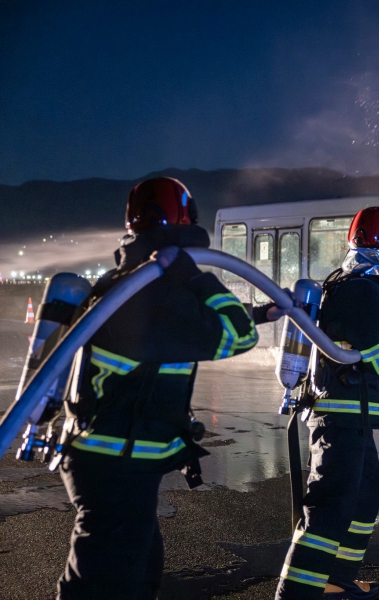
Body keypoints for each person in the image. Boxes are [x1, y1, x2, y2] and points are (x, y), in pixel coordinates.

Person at [56, 177, 285, 599]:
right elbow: (236, 335)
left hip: (110, 459)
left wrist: (260, 311)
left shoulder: (129, 281)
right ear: (187, 220)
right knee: (106, 582)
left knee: (138, 568)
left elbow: (188, 324)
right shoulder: (156, 291)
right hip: (117, 462)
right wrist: (194, 275)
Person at [276, 207, 379, 600]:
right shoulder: (363, 290)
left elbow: (356, 337)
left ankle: (338, 580)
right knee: (330, 505)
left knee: (366, 493)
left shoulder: (344, 283)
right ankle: (296, 594)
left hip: (349, 415)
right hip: (340, 415)